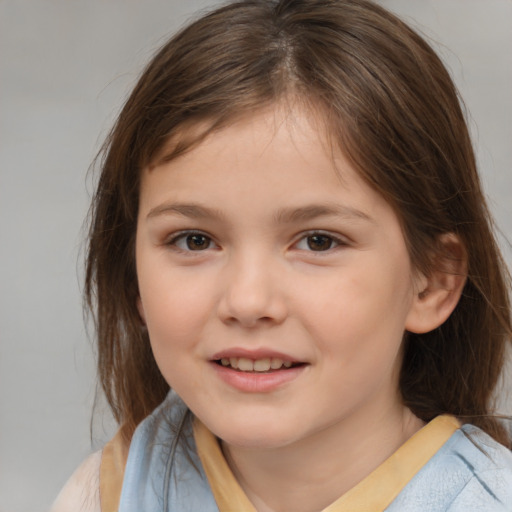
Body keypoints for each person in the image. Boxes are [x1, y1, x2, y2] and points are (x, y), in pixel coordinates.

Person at [51, 0, 512, 510]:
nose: (248, 301)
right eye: (195, 240)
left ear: (431, 282)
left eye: (318, 241)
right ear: (133, 276)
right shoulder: (105, 494)